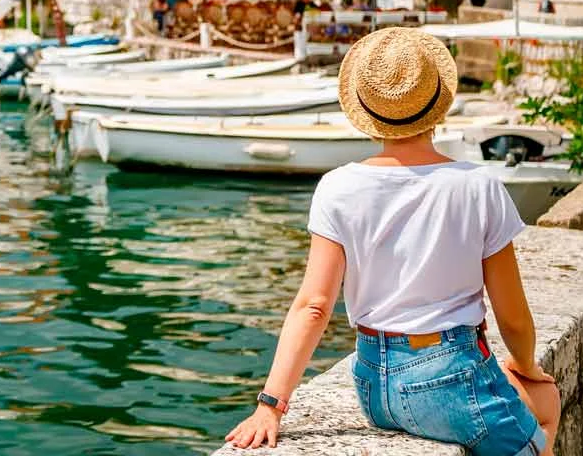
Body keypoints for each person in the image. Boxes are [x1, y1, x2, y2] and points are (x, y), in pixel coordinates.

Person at [226, 28, 559, 454]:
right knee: (545, 406)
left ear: (365, 112)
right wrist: (527, 366)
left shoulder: (337, 187)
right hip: (449, 378)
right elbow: (512, 317)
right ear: (438, 107)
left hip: (373, 385)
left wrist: (270, 406)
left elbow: (313, 306)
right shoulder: (477, 186)